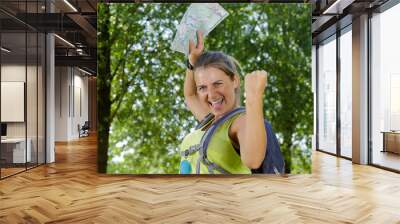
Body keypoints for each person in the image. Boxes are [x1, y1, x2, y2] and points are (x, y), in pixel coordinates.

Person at [179, 31, 268, 174]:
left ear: (235, 81)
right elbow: (189, 95)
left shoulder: (239, 121)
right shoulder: (209, 121)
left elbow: (253, 160)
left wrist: (254, 98)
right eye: (202, 87)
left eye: (217, 84)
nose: (212, 95)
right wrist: (192, 63)